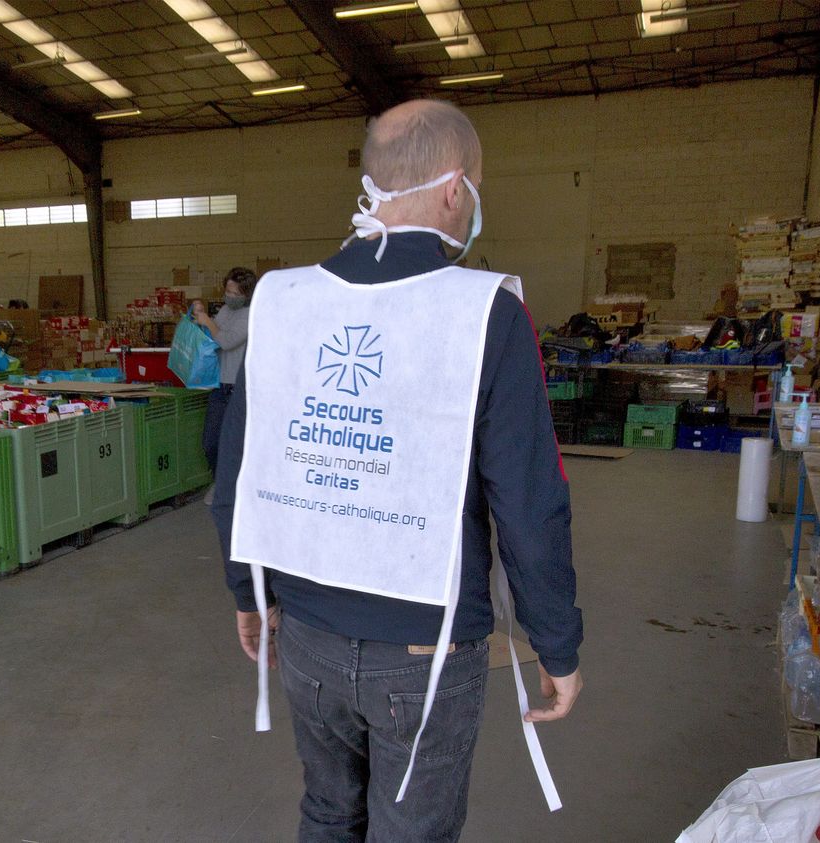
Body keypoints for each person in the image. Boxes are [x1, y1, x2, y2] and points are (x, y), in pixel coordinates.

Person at [210, 100, 584, 842]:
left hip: (308, 633)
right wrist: (557, 642)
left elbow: (243, 466)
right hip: (425, 651)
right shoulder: (485, 314)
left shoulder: (282, 301)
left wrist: (246, 589)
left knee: (326, 811)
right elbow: (528, 502)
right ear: (456, 190)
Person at [191, 266, 257, 470]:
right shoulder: (226, 310)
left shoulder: (250, 315)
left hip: (238, 388)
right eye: (227, 292)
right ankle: (220, 482)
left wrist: (208, 321)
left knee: (235, 443)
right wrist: (200, 315)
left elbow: (227, 341)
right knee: (210, 441)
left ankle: (231, 487)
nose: (230, 297)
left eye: (235, 293)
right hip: (220, 385)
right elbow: (212, 336)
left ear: (246, 294)